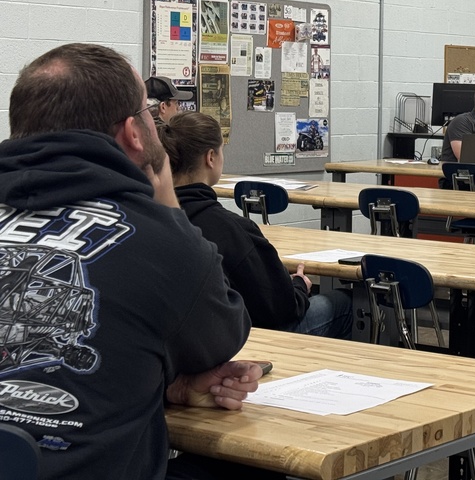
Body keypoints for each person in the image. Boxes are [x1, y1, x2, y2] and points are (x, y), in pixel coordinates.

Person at [0, 43, 266, 480]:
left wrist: (161, 384)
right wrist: (165, 199)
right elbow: (223, 337)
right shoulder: (161, 242)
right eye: (148, 111)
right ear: (134, 132)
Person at [160, 112, 352, 338]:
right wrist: (300, 285)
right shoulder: (232, 230)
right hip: (241, 340)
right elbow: (283, 309)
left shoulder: (154, 218)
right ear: (210, 158)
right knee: (345, 303)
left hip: (183, 340)